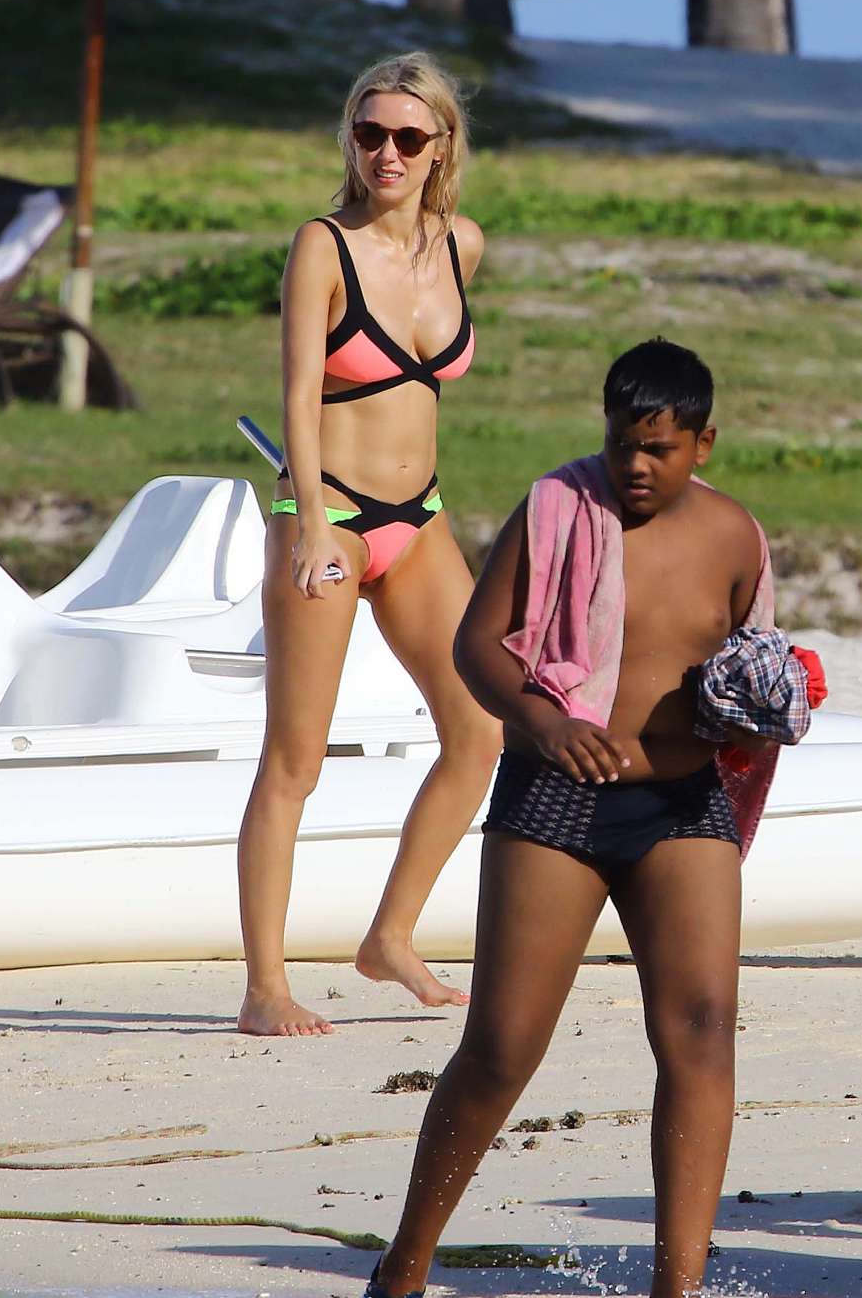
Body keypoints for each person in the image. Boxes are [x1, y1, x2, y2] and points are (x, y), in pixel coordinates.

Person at [366, 339, 777, 1298]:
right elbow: (479, 642)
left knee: (704, 1029)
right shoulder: (557, 507)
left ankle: (677, 1286)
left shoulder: (736, 538)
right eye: (623, 443)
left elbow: (754, 666)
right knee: (504, 1043)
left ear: (702, 443)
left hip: (682, 802)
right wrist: (546, 722)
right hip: (555, 798)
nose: (636, 466)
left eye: (662, 449)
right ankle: (405, 1266)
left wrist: (764, 702)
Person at [237, 52, 501, 1035]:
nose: (384, 153)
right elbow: (298, 394)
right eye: (367, 133)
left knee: (480, 730)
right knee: (294, 761)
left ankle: (389, 936)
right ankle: (265, 986)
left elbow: (420, 392)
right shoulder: (322, 244)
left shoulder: (459, 245)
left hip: (420, 517)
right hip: (332, 514)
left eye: (406, 137)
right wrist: (308, 521)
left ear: (441, 147)